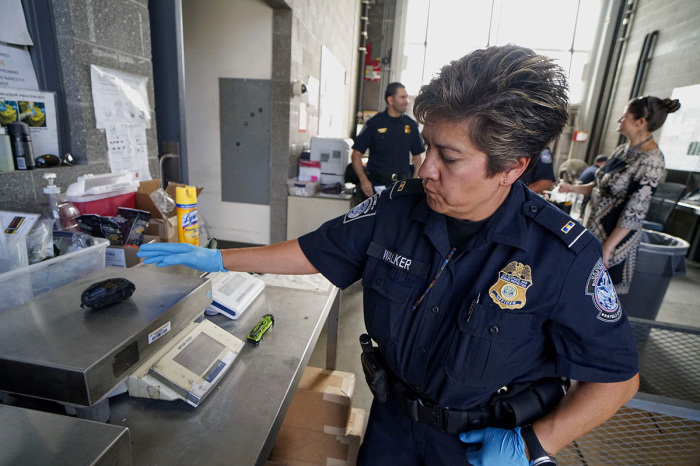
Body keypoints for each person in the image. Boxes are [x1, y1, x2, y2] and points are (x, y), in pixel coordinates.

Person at [138, 45, 640, 465]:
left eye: (449, 156)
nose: (425, 169)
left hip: (481, 446)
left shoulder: (562, 255)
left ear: (512, 167)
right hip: (392, 430)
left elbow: (616, 378)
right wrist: (219, 259)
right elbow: (316, 251)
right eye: (427, 148)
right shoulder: (397, 210)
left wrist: (532, 444)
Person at [560, 96, 681, 294]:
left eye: (624, 116)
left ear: (640, 122)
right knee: (575, 289)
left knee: (596, 297)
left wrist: (607, 249)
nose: (620, 120)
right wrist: (571, 188)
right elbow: (601, 186)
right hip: (593, 231)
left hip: (613, 241)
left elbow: (635, 212)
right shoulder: (623, 150)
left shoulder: (652, 161)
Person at [351, 82, 425, 200]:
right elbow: (356, 154)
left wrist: (414, 181)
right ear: (390, 100)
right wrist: (363, 180)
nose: (406, 101)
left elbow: (417, 157)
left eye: (406, 97)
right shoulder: (374, 123)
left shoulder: (411, 125)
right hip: (376, 186)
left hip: (401, 187)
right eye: (402, 97)